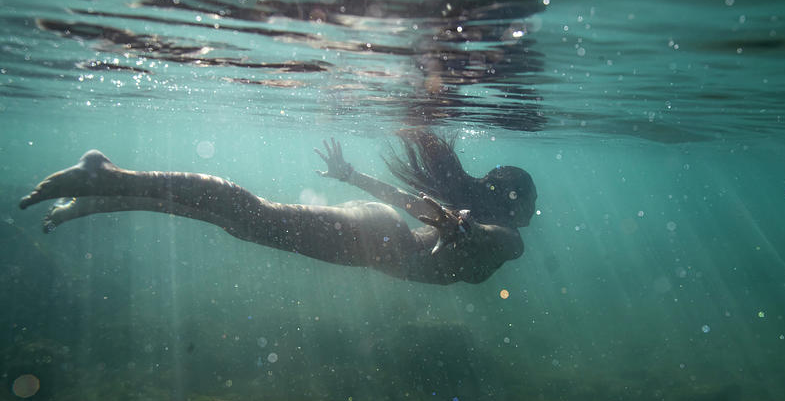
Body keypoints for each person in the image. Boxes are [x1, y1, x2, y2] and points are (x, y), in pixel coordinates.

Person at [19, 130, 537, 285]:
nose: (532, 216)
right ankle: (113, 178)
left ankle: (102, 199)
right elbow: (495, 241)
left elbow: (411, 203)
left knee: (243, 226)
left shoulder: (482, 225)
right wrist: (465, 233)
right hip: (380, 242)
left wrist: (354, 177)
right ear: (515, 205)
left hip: (380, 242)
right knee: (254, 216)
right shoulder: (507, 237)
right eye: (530, 204)